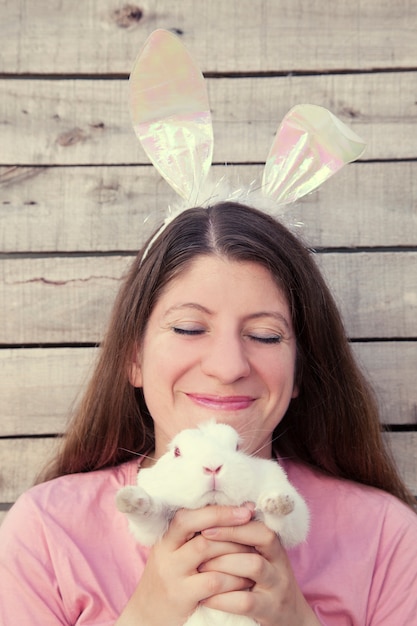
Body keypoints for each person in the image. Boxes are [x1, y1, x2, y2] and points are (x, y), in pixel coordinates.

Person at [0, 199, 417, 626]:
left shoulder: (390, 539)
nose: (228, 366)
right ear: (134, 357)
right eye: (188, 329)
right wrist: (146, 617)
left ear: (298, 374)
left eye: (265, 335)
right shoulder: (46, 532)